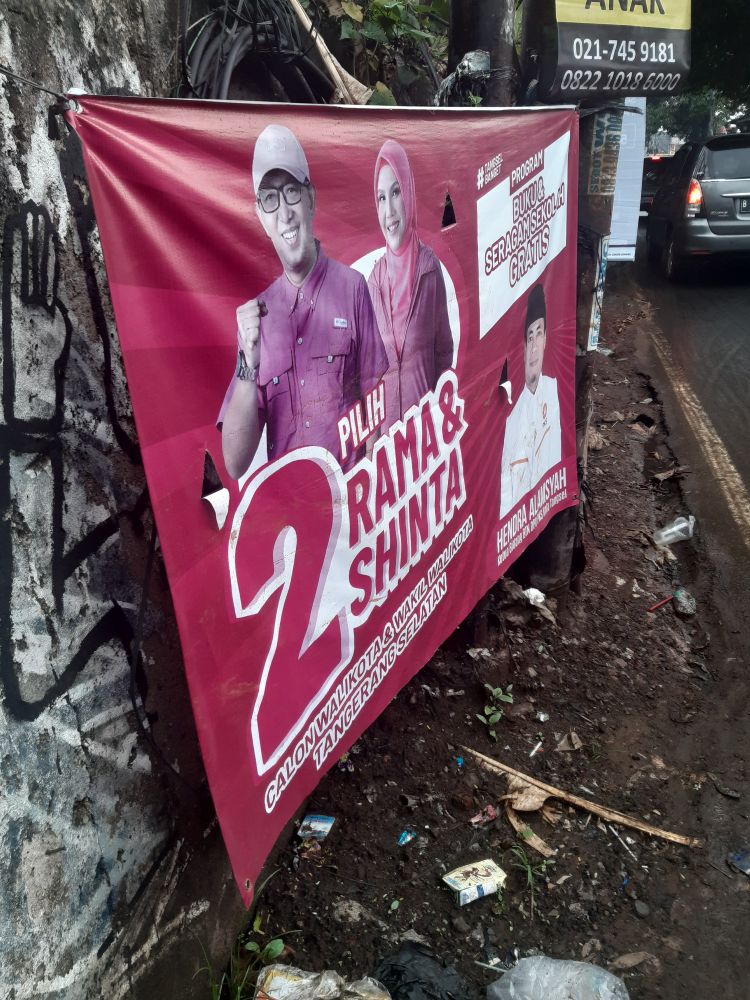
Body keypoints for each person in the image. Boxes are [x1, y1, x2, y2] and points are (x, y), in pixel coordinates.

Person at [220, 124, 388, 478]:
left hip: (351, 509)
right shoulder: (257, 321)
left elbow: (378, 417)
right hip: (293, 525)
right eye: (270, 198)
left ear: (311, 198)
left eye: (292, 191)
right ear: (262, 218)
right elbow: (235, 463)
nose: (284, 212)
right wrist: (248, 364)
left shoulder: (353, 289)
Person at [367, 139, 454, 432]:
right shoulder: (373, 284)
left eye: (396, 192)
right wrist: (371, 448)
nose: (389, 211)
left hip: (424, 443)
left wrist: (439, 419)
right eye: (381, 198)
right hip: (385, 450)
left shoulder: (429, 271)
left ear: (410, 194)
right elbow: (369, 378)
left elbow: (444, 351)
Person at [499, 284, 561, 518]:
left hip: (546, 511)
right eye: (530, 337)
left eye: (539, 334)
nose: (534, 347)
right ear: (523, 347)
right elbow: (506, 496)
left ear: (546, 339)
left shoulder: (553, 393)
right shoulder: (512, 420)